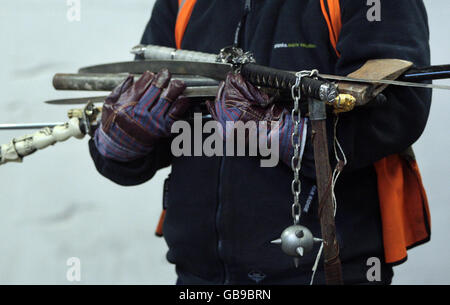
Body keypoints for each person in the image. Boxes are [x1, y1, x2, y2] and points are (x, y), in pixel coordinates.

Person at [89, 0, 432, 285]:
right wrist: (122, 143)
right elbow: (152, 108)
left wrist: (285, 134)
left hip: (323, 268)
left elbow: (399, 108)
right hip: (198, 276)